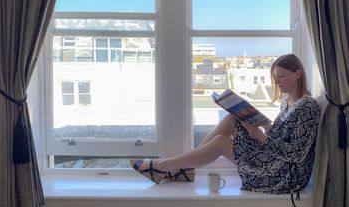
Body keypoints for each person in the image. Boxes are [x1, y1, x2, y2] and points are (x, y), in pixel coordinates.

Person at [130, 54, 320, 196]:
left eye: (282, 76)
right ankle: (184, 168)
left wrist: (261, 135)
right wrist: (265, 125)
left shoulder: (307, 106)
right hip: (273, 158)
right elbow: (280, 136)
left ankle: (163, 166)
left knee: (221, 142)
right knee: (232, 119)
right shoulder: (287, 101)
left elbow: (296, 154)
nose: (276, 81)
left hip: (285, 175)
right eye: (275, 76)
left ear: (297, 74)